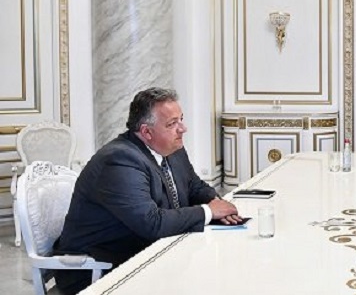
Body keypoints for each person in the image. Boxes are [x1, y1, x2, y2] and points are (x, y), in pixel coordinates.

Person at [54, 87, 241, 294]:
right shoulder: (120, 160)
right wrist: (209, 211)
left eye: (180, 119)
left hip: (146, 254)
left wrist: (217, 204)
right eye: (172, 124)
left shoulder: (172, 148)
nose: (182, 128)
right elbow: (152, 223)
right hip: (100, 271)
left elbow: (194, 186)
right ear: (146, 132)